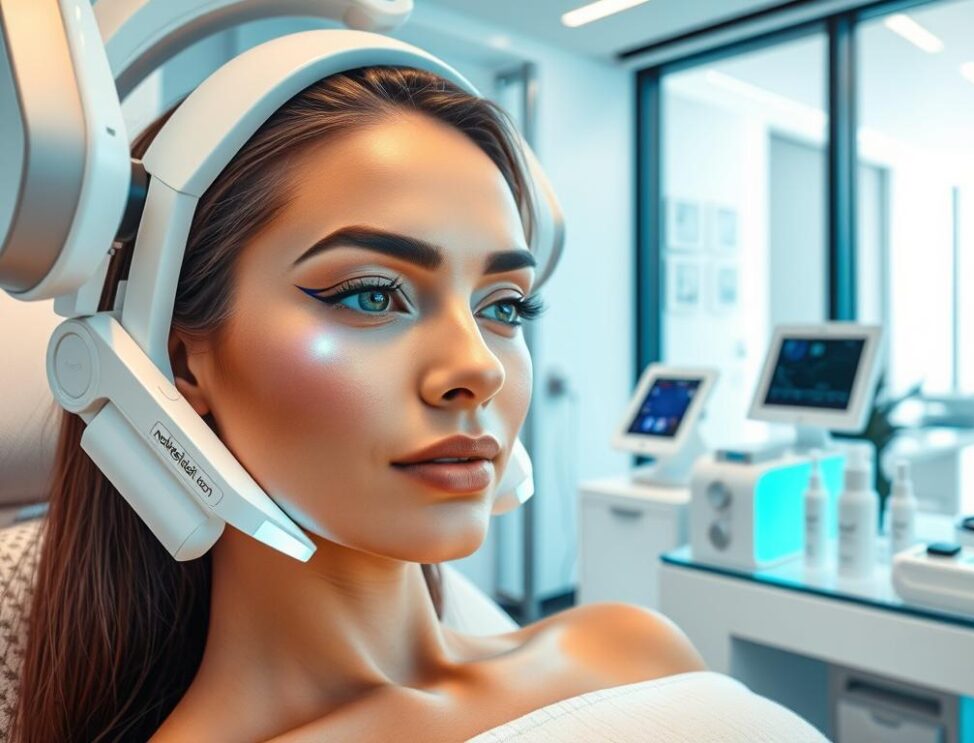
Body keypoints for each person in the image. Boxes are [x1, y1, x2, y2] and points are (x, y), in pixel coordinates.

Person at [11, 66, 708, 742]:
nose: (479, 367)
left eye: (505, 305)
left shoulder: (636, 653)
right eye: (372, 295)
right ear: (177, 359)